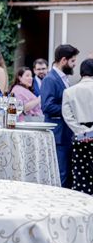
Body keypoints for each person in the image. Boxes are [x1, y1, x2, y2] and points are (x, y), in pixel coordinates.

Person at [42, 44, 79, 188]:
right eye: (73, 61)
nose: (74, 64)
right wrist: (70, 110)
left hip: (66, 133)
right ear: (64, 60)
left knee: (67, 174)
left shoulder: (64, 78)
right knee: (61, 175)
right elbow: (47, 106)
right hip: (58, 135)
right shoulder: (50, 79)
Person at [62, 58, 93, 194]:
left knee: (80, 173)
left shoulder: (69, 91)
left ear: (81, 73)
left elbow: (67, 116)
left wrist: (82, 132)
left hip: (80, 137)